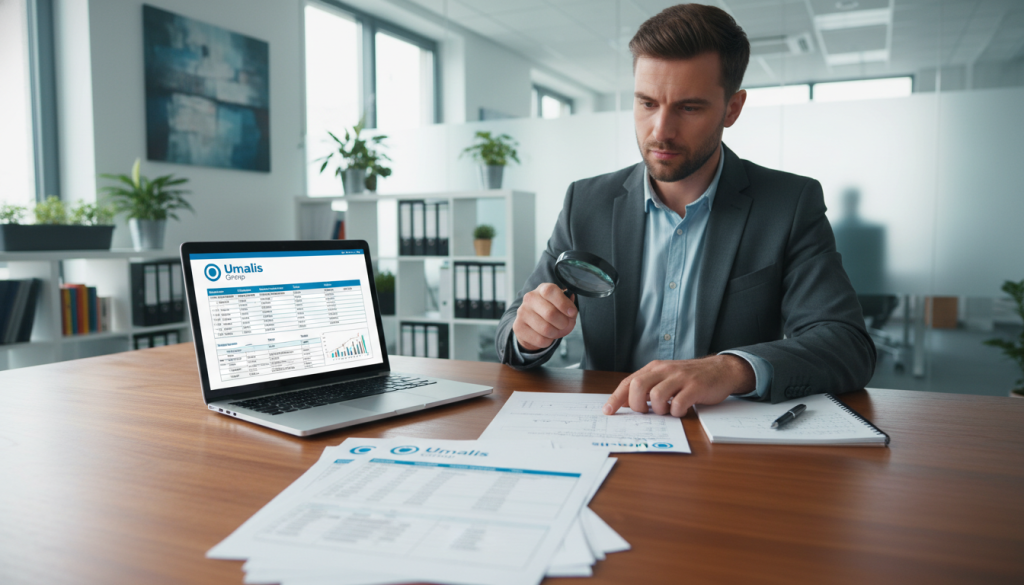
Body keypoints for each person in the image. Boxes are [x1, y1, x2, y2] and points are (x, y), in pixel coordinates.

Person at [494, 3, 875, 418]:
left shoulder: (788, 204)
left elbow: (846, 344)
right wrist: (531, 332)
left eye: (689, 108)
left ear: (732, 108)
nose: (660, 130)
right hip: (609, 425)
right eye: (647, 104)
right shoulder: (586, 203)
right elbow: (512, 329)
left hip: (723, 438)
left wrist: (730, 368)